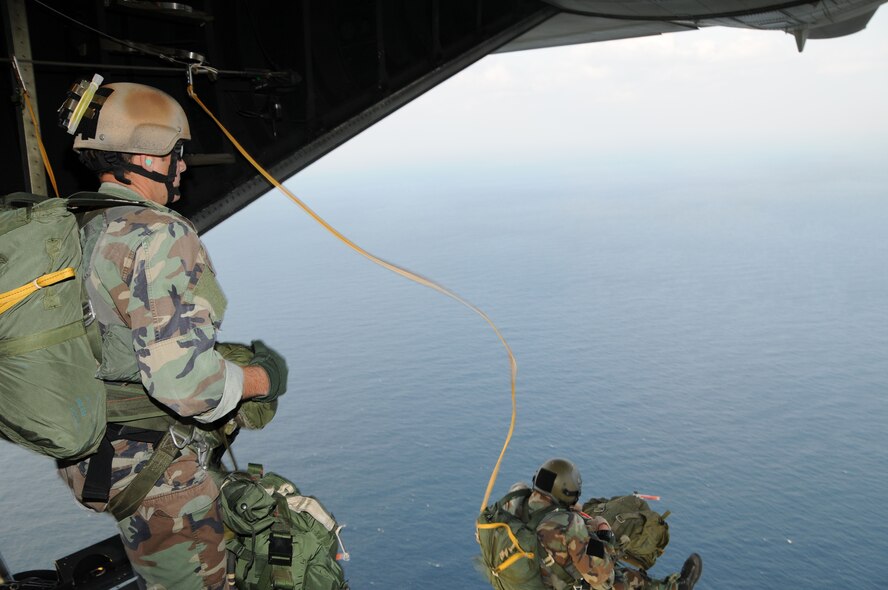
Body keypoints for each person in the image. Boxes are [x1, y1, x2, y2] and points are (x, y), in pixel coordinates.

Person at [55, 81, 288, 590]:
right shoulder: (159, 234)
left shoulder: (76, 222)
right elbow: (187, 387)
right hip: (154, 473)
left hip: (92, 454)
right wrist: (260, 379)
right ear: (146, 155)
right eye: (176, 154)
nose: (182, 166)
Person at [505, 458, 702, 590]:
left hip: (519, 577)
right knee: (623, 579)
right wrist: (604, 532)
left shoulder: (509, 506)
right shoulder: (568, 527)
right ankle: (677, 586)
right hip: (558, 582)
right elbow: (602, 579)